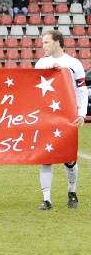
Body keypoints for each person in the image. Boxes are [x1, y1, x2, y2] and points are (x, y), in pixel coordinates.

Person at [34, 30, 87, 210]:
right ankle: (46, 199)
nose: (43, 46)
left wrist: (81, 113)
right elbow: (33, 88)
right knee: (46, 157)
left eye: (46, 42)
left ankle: (72, 191)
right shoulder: (41, 63)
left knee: (69, 159)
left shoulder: (73, 64)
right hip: (46, 116)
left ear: (57, 42)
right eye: (43, 42)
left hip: (68, 115)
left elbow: (81, 91)